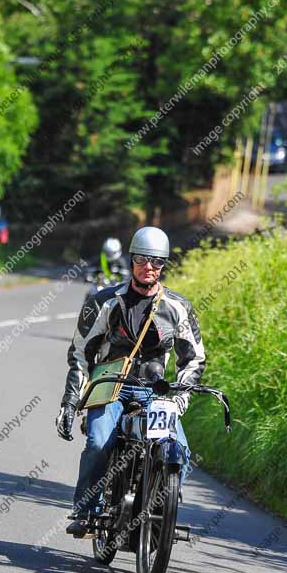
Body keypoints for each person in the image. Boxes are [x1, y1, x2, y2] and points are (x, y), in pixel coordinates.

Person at [55, 226, 206, 537]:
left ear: (164, 265)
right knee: (98, 443)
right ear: (131, 259)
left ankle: (162, 509)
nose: (148, 267)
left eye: (156, 261)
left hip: (156, 391)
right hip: (110, 385)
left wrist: (179, 399)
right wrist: (70, 402)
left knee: (180, 448)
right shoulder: (103, 302)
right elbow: (81, 354)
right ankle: (86, 509)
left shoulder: (178, 307)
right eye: (141, 259)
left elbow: (193, 360)